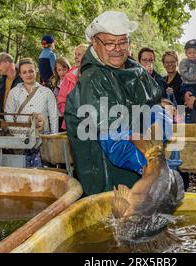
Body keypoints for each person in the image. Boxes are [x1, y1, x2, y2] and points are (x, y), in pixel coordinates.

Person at [64, 11, 162, 195]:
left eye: (123, 42)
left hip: (145, 173)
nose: (117, 48)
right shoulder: (93, 79)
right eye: (110, 43)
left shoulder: (137, 72)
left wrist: (159, 155)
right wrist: (152, 165)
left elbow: (159, 109)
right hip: (109, 180)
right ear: (94, 41)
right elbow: (113, 139)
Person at [57, 44, 88, 130]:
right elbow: (61, 101)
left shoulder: (94, 75)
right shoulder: (68, 77)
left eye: (79, 54)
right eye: (75, 55)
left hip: (90, 123)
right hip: (71, 124)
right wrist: (69, 114)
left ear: (87, 56)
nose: (76, 57)